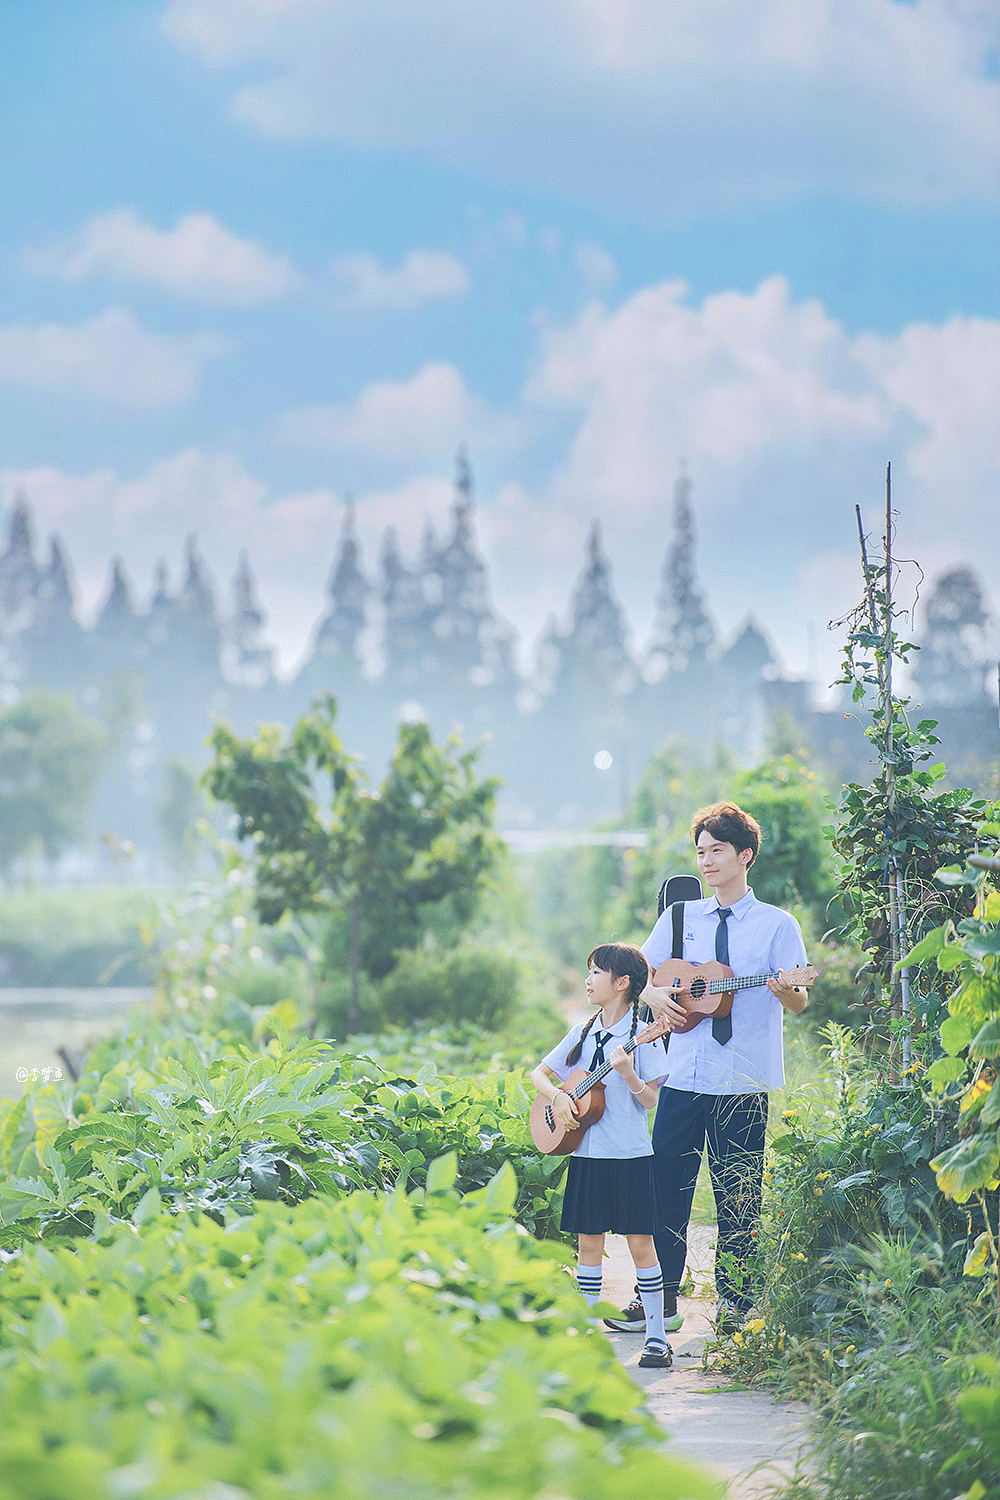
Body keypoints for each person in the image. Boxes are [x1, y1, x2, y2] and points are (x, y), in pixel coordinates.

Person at [603, 802, 809, 1338]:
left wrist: (787, 990)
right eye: (701, 852)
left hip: (741, 1081)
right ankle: (661, 1303)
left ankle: (738, 1308)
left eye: (717, 850)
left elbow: (800, 999)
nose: (707, 861)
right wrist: (651, 994)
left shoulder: (776, 925)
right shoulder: (679, 917)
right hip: (683, 1077)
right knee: (666, 1189)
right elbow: (640, 971)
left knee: (737, 1196)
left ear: (745, 854)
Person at [529, 942, 673, 1368]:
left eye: (596, 972)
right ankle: (586, 1335)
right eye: (588, 971)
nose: (588, 980)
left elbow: (650, 1102)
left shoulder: (643, 1034)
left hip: (629, 1155)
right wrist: (556, 1097)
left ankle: (657, 1338)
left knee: (640, 1244)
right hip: (587, 1154)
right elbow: (539, 1072)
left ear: (622, 982)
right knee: (588, 1244)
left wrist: (628, 1074)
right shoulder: (585, 1031)